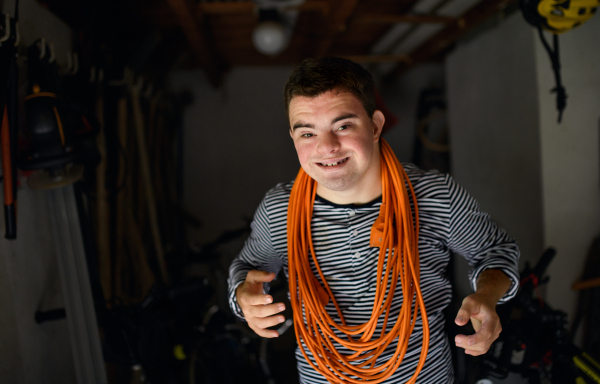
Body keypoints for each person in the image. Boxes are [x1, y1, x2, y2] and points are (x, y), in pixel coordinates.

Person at [227, 57, 520, 383]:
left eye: (343, 126)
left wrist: (488, 295)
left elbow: (496, 252)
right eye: (307, 133)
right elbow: (248, 268)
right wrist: (244, 295)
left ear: (376, 125)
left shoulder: (435, 195)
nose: (327, 147)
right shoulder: (279, 209)